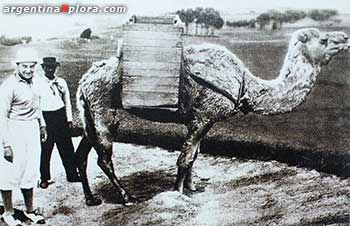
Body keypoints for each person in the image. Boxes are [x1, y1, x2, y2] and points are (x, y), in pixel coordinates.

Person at [0, 47, 47, 226]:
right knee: (9, 172)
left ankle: (29, 210)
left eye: (31, 67)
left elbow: (38, 106)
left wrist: (42, 125)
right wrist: (5, 144)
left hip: (32, 129)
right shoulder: (8, 86)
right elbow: (1, 116)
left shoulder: (35, 83)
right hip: (13, 130)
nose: (28, 70)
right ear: (17, 66)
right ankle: (8, 212)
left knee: (30, 171)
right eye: (24, 66)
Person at [38, 57, 80, 189]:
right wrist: (42, 124)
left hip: (60, 116)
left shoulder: (61, 82)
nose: (50, 69)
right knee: (46, 149)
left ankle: (72, 174)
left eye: (52, 67)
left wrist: (69, 120)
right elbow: (37, 106)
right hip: (47, 116)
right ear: (43, 68)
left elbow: (67, 101)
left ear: (56, 68)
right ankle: (44, 178)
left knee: (66, 147)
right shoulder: (38, 83)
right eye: (47, 67)